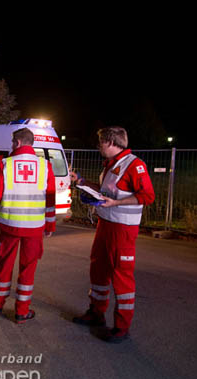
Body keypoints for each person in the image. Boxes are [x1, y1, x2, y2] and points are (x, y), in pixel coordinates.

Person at [70, 127, 155, 343]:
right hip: (105, 224)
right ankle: (96, 313)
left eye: (100, 142)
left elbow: (148, 196)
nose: (98, 146)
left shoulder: (135, 165)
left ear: (110, 142)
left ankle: (121, 327)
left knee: (121, 275)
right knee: (98, 268)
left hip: (123, 229)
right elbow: (105, 192)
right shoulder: (112, 164)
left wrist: (116, 203)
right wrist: (81, 181)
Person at [0, 128, 56, 324]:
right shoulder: (45, 166)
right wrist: (50, 226)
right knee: (28, 268)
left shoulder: (5, 164)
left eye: (12, 142)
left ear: (17, 143)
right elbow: (50, 200)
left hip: (9, 226)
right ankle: (21, 311)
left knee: (4, 264)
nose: (11, 146)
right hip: (34, 228)